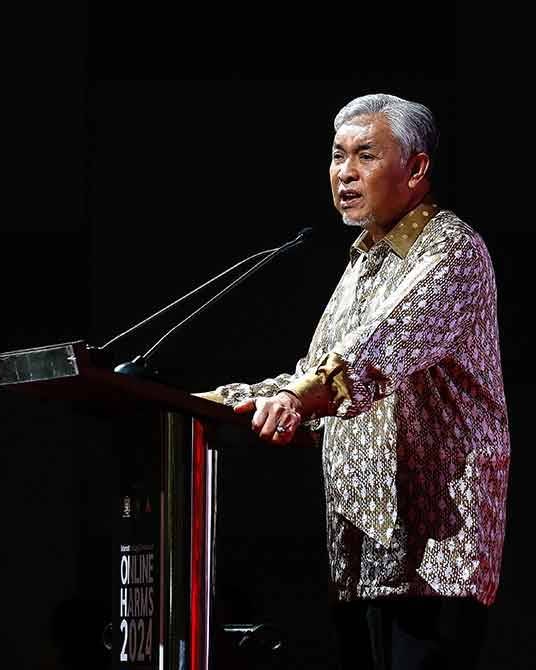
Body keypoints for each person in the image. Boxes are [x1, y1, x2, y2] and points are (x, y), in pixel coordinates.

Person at [198, 93, 510, 669]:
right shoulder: (361, 260)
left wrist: (296, 397)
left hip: (434, 554)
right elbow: (313, 376)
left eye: (365, 155)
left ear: (416, 169)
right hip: (358, 553)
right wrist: (212, 402)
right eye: (337, 155)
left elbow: (377, 352)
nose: (345, 173)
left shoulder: (454, 249)